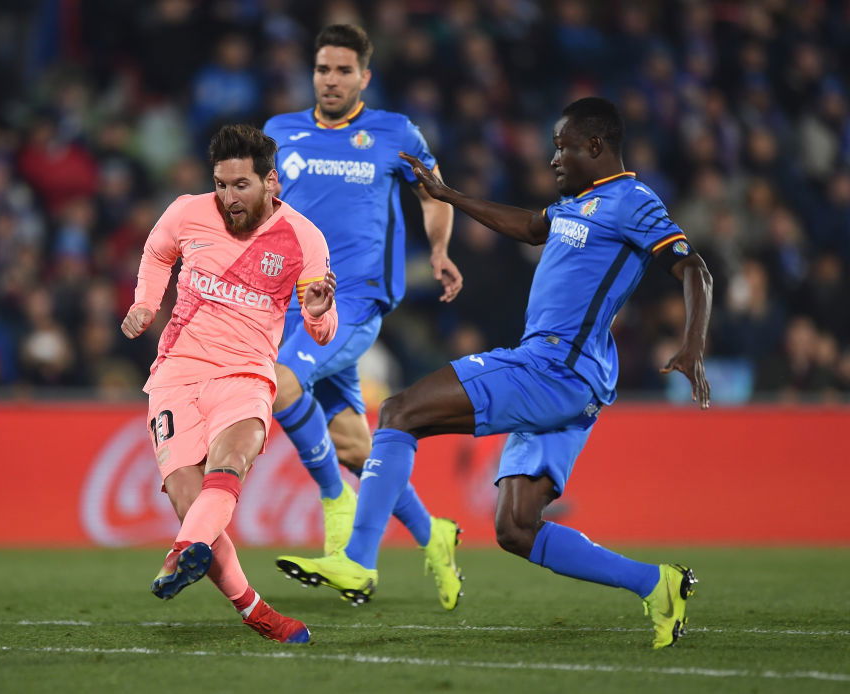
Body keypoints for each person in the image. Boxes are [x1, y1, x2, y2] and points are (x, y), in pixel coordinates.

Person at [277, 97, 713, 650]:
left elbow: (693, 267)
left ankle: (359, 560)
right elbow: (529, 226)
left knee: (399, 412)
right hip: (571, 378)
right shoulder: (575, 205)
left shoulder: (633, 200)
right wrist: (449, 195)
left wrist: (692, 344)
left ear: (595, 146)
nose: (553, 158)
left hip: (554, 367)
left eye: (563, 147)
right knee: (516, 529)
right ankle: (657, 584)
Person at [263, 24, 466, 610]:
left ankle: (336, 503)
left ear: (364, 77)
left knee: (279, 384)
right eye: (322, 69)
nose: (331, 80)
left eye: (343, 70)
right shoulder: (280, 132)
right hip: (292, 304)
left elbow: (433, 193)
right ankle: (433, 533)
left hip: (354, 299)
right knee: (354, 446)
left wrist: (439, 250)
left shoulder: (394, 132)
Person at [120, 124, 337, 644]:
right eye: (220, 184)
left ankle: (180, 553)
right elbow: (157, 253)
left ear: (270, 182)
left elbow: (323, 330)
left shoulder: (303, 237)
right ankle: (255, 610)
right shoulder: (186, 212)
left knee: (232, 458)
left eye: (241, 185)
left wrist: (317, 312)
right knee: (187, 500)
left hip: (245, 374)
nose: (228, 197)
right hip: (175, 376)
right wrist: (146, 302)